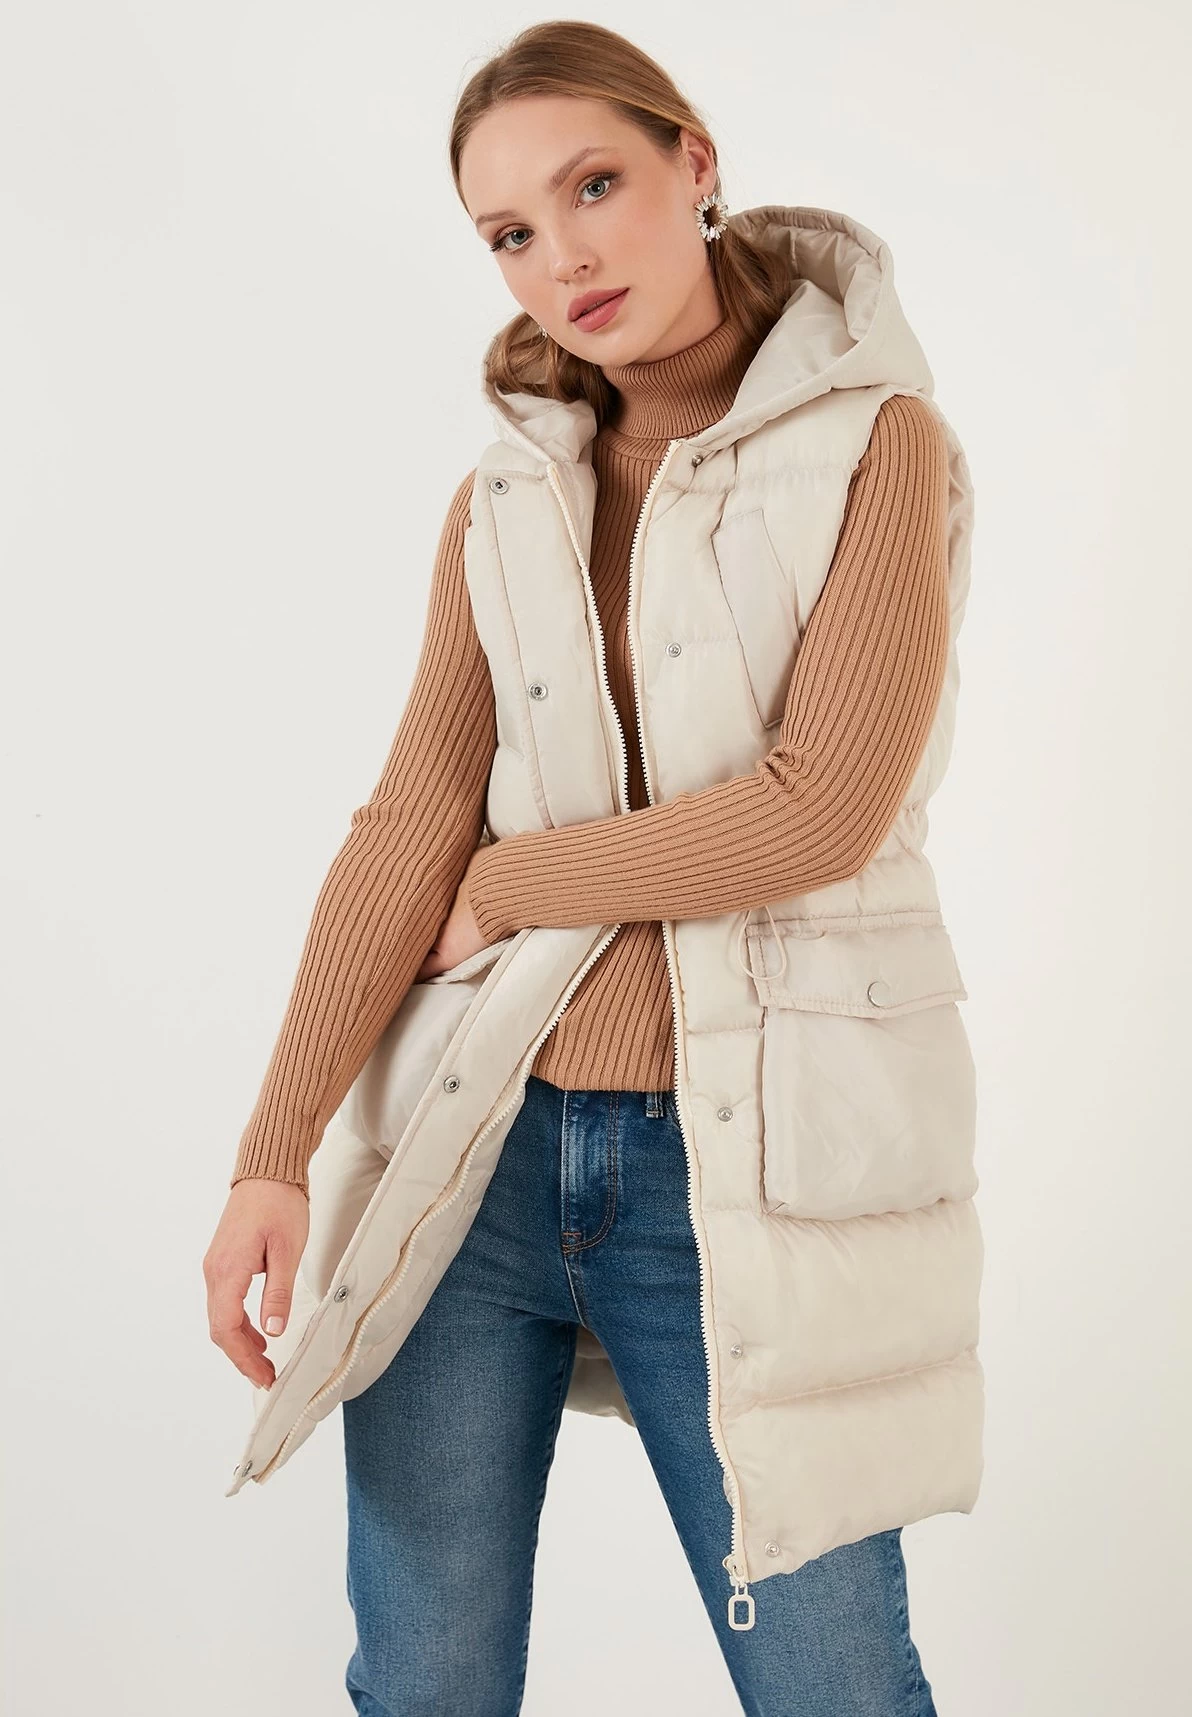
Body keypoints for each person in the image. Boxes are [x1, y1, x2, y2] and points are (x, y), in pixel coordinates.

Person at [205, 20, 981, 1715]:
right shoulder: (503, 498)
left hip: (739, 1169)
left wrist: (510, 886)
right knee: (424, 1680)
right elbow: (408, 824)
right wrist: (274, 1152)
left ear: (696, 164)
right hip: (474, 1148)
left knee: (837, 1687)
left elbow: (818, 811)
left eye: (594, 186)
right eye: (509, 231)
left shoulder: (879, 444)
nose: (562, 256)